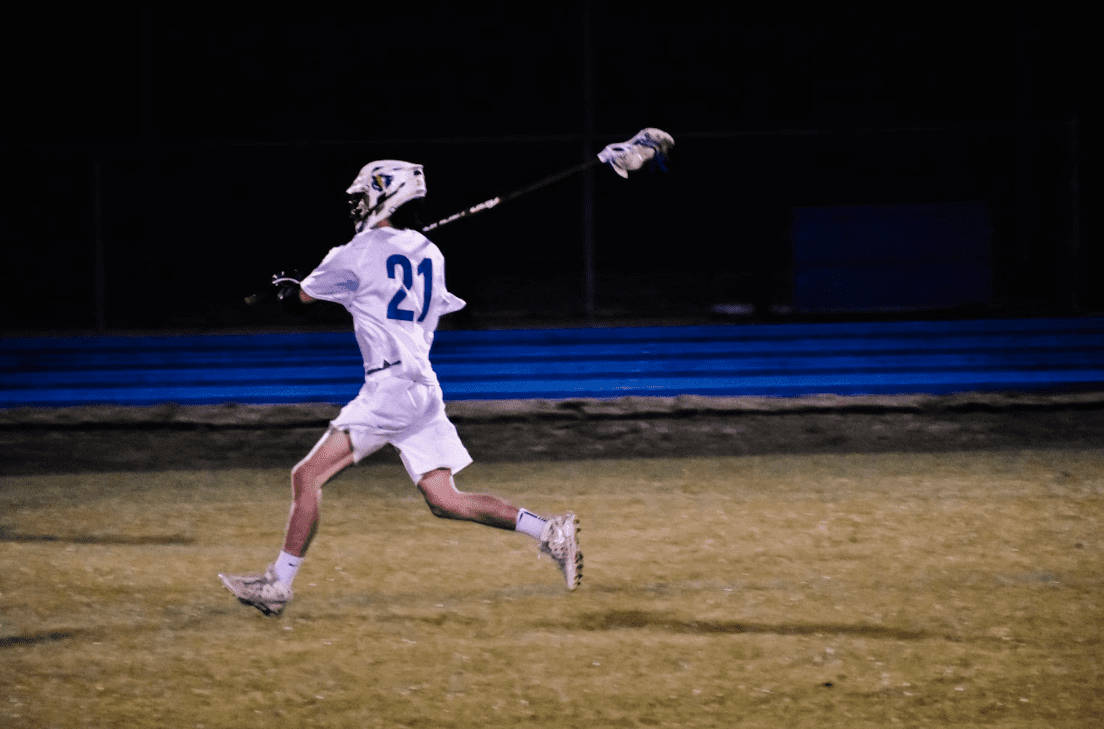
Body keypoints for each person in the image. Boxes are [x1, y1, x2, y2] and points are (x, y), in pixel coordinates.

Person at [219, 160, 582, 617]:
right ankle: (549, 531)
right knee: (444, 499)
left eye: (361, 195)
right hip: (423, 386)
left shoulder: (354, 251)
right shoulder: (431, 252)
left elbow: (299, 303)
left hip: (389, 387)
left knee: (306, 476)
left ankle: (277, 585)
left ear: (382, 195)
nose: (356, 205)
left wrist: (285, 287)